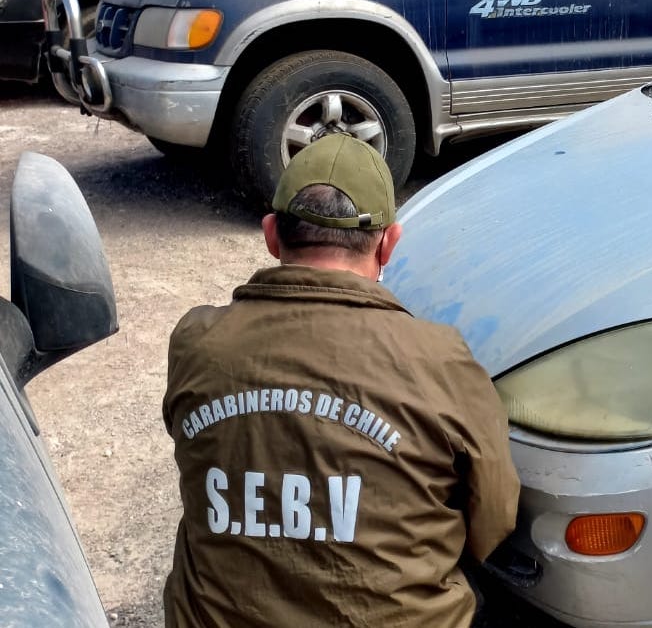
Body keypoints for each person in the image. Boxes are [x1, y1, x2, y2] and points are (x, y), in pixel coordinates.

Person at [162, 134, 519, 628]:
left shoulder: (197, 341)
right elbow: (493, 520)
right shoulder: (439, 360)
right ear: (389, 244)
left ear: (271, 235)